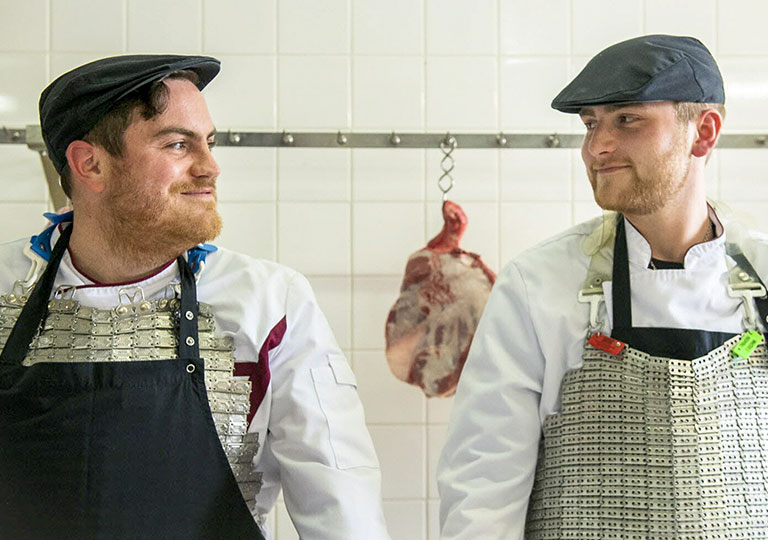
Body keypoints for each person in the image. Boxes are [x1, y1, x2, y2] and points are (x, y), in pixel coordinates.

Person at [0, 55, 390, 540]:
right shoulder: (5, 287)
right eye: (178, 144)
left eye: (209, 142)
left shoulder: (268, 302)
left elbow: (342, 507)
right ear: (90, 164)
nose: (210, 168)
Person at [438, 34, 768, 539]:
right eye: (590, 124)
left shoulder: (764, 270)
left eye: (627, 119)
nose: (597, 147)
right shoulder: (538, 283)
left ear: (703, 132)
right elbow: (483, 488)